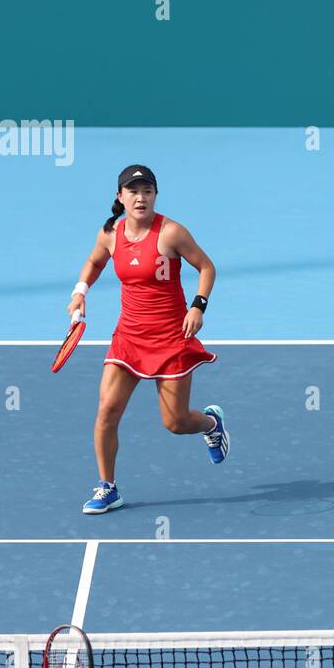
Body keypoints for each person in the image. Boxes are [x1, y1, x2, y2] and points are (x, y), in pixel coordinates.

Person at [67, 165, 228, 514]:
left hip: (171, 338)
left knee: (176, 423)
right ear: (120, 197)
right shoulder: (111, 233)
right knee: (106, 412)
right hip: (128, 337)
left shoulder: (171, 233)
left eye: (148, 191)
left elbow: (207, 267)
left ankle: (211, 423)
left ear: (155, 195)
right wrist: (80, 292)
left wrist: (197, 307)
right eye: (133, 191)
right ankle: (107, 487)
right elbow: (94, 263)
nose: (141, 198)